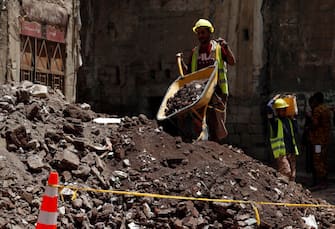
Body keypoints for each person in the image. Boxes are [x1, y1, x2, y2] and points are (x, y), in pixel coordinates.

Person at [179, 18, 236, 143]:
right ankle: (203, 144)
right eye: (199, 33)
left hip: (217, 90)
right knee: (198, 118)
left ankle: (215, 145)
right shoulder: (195, 52)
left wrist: (226, 46)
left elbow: (232, 62)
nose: (201, 36)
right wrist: (181, 62)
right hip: (200, 91)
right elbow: (189, 72)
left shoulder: (219, 48)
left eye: (203, 32)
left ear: (209, 33)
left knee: (216, 120)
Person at [267, 95, 299, 181]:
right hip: (281, 153)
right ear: (277, 111)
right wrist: (275, 98)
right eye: (281, 110)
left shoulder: (289, 121)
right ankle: (283, 189)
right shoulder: (275, 122)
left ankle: (291, 192)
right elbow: (268, 107)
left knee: (292, 175)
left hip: (291, 151)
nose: (283, 112)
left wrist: (294, 118)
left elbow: (296, 131)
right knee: (286, 172)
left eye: (284, 110)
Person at [308, 92, 331, 190]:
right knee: (323, 159)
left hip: (318, 142)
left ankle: (321, 182)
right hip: (325, 139)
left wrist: (309, 116)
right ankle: (324, 181)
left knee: (318, 160)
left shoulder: (318, 110)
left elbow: (315, 124)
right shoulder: (326, 109)